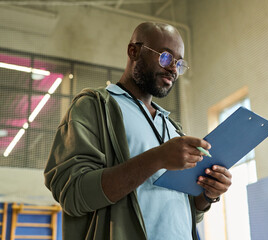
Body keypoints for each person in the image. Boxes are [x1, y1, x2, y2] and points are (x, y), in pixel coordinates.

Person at [44, 22, 232, 240]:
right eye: (165, 57)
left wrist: (208, 195)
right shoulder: (94, 106)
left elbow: (184, 211)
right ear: (134, 51)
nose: (173, 69)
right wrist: (157, 158)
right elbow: (73, 194)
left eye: (179, 64)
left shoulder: (172, 128)